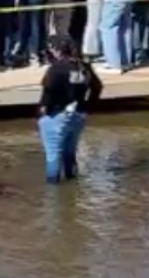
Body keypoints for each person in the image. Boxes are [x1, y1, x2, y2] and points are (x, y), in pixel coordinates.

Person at [36, 36, 101, 184]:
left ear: (57, 51)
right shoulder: (83, 66)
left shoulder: (55, 69)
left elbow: (48, 92)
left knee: (53, 156)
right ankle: (72, 186)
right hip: (78, 115)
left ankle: (53, 193)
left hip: (56, 115)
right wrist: (87, 107)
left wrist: (43, 111)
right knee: (69, 153)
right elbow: (97, 87)